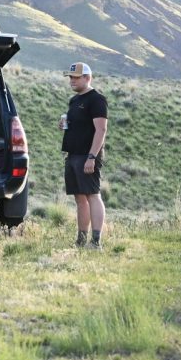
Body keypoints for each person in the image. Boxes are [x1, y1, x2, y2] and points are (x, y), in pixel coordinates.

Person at [61, 62, 108, 248]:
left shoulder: (96, 99)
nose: (72, 80)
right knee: (80, 198)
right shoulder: (74, 100)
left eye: (76, 77)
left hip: (87, 156)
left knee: (93, 195)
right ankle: (81, 240)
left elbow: (101, 129)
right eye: (71, 77)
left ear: (87, 78)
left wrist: (92, 157)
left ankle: (96, 242)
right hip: (72, 155)